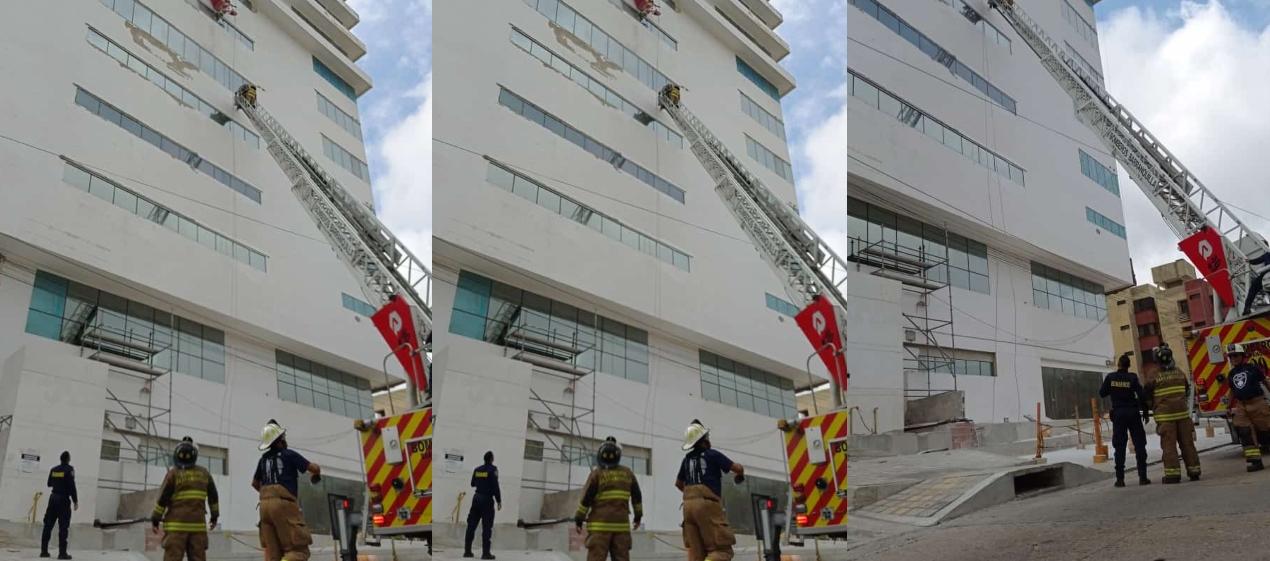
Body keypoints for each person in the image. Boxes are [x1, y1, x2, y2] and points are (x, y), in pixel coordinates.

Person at [252, 419, 321, 561]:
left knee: (273, 555)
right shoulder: (289, 454)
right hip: (283, 505)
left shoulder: (263, 459)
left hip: (264, 507)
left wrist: (268, 496)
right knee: (297, 551)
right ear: (280, 439)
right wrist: (317, 472)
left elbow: (254, 483)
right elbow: (313, 468)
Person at [676, 420, 744, 561]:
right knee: (721, 551)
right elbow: (736, 468)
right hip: (707, 505)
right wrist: (741, 472)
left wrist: (692, 497)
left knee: (696, 555)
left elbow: (678, 483)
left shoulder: (686, 459)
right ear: (704, 440)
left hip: (687, 507)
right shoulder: (712, 454)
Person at [151, 437, 220, 561]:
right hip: (197, 527)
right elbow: (213, 496)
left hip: (175, 529)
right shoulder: (204, 474)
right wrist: (214, 516)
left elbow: (162, 499)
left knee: (172, 558)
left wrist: (155, 519)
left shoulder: (173, 474)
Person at [575, 437, 643, 561]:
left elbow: (586, 499)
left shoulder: (597, 474)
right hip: (621, 527)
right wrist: (638, 517)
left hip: (599, 528)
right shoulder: (628, 473)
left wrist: (579, 519)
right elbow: (637, 496)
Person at [1144, 344, 1201, 483]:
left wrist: (1152, 407)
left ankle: (1173, 475)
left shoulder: (1153, 374)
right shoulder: (1179, 372)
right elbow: (1187, 391)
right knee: (1188, 444)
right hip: (1182, 415)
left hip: (1165, 418)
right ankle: (1194, 471)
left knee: (1169, 447)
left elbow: (1146, 395)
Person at [1099, 354, 1151, 487]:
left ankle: (1120, 479)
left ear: (1119, 365)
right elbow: (1142, 395)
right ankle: (1143, 477)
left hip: (1119, 414)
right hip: (1133, 413)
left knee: (1120, 446)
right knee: (1139, 444)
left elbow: (1102, 393)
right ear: (1128, 366)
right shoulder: (1132, 377)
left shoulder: (1111, 377)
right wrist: (1145, 411)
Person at [1225, 343, 1270, 471]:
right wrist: (1228, 406)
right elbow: (1232, 391)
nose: (1233, 358)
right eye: (1231, 356)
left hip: (1257, 402)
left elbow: (1265, 382)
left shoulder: (1253, 369)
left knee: (1266, 431)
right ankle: (1255, 462)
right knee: (1244, 432)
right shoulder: (1232, 373)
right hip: (1241, 406)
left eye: (1235, 355)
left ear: (1242, 356)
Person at [464, 451, 501, 560]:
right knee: (487, 527)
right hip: (487, 500)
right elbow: (495, 486)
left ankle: (467, 551)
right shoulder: (493, 469)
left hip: (476, 499)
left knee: (471, 525)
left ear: (484, 459)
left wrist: (481, 482)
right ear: (492, 459)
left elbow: (472, 484)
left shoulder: (477, 469)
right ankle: (486, 553)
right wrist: (499, 500)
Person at [41, 451, 77, 560]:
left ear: (60, 459)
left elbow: (49, 484)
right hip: (63, 500)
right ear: (68, 459)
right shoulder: (70, 469)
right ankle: (62, 553)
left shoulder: (54, 469)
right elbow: (71, 486)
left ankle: (44, 551)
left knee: (48, 525)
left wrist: (58, 482)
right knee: (63, 527)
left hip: (53, 499)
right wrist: (75, 501)